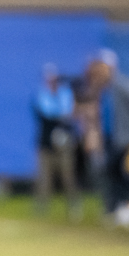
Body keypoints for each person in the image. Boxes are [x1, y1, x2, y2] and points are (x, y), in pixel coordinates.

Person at [96, 49, 129, 229]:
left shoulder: (122, 84)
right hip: (113, 139)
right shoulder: (104, 88)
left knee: (127, 175)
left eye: (104, 67)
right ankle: (117, 210)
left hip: (127, 139)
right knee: (113, 173)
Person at [32, 63, 80, 220]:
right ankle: (41, 208)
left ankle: (74, 206)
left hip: (64, 142)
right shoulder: (41, 94)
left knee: (68, 176)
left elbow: (68, 114)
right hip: (46, 143)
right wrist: (60, 118)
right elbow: (47, 114)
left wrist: (61, 118)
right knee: (44, 178)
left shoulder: (65, 94)